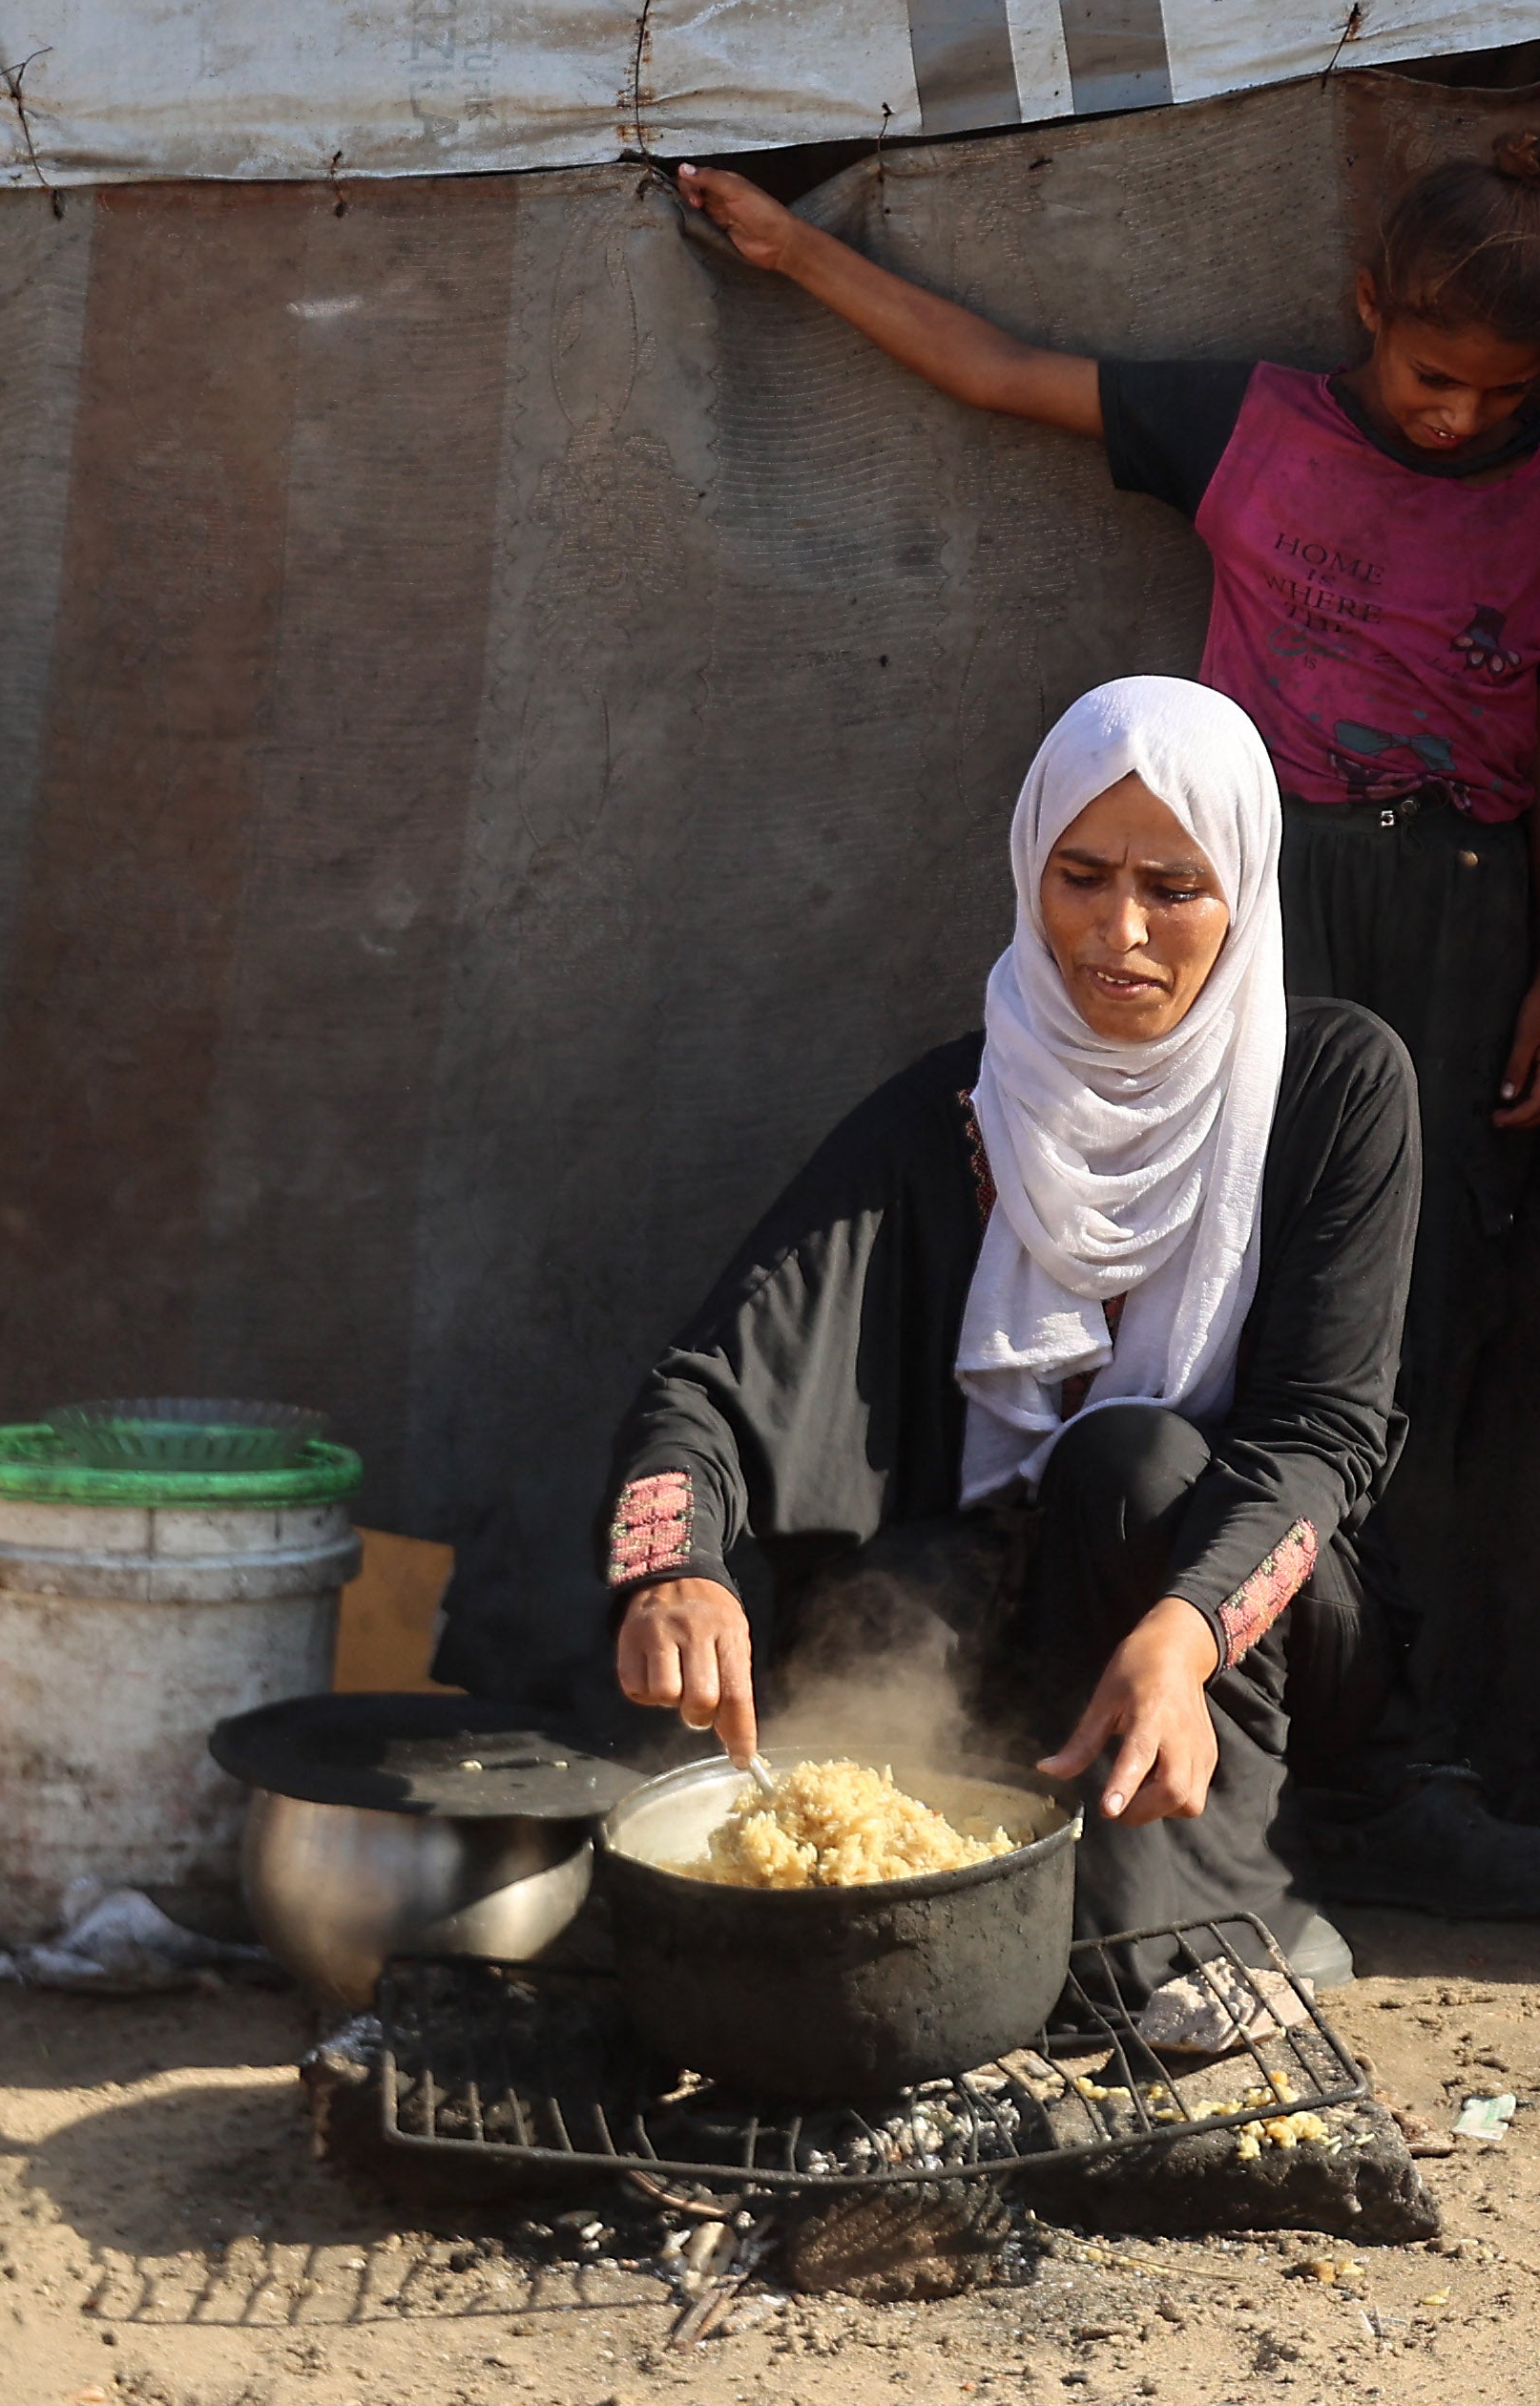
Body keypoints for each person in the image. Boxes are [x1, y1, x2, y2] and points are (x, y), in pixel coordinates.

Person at [676, 146, 1540, 1919]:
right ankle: (1130, 1732)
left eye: (1501, 390)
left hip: (1463, 914)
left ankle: (1390, 1759)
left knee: (1409, 1348)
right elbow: (997, 370)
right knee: (1141, 1350)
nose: (1457, 420)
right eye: (1430, 378)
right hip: (1266, 878)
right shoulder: (1250, 435)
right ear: (1362, 323)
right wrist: (795, 253)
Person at [603, 678, 1416, 1974]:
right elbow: (717, 1376)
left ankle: (1226, 1915)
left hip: (1240, 1622)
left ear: (1244, 894)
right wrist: (671, 1566)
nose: (1118, 931)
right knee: (883, 1629)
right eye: (1080, 876)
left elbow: (1324, 1441)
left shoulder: (1332, 1087)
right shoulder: (958, 1108)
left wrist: (1185, 1629)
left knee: (1129, 1460)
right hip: (1013, 1619)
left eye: (1175, 889)